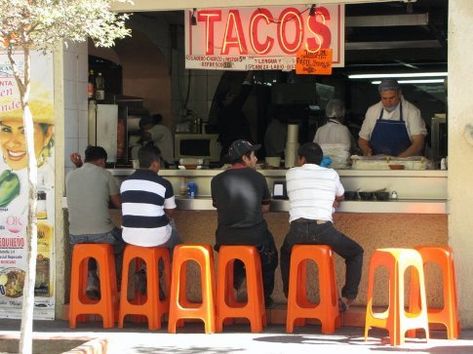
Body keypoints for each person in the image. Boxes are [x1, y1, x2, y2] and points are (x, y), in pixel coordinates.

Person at [280, 142, 364, 312]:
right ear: (321, 160)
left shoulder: (291, 173)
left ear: (301, 159)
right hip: (324, 230)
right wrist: (331, 202)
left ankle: (291, 297)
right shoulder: (331, 174)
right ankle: (347, 298)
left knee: (286, 252)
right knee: (356, 252)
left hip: (297, 230)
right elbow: (340, 196)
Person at [211, 139, 278, 307]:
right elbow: (265, 208)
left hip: (225, 238)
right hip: (254, 237)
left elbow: (218, 206)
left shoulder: (216, 180)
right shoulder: (258, 178)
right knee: (270, 257)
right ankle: (263, 298)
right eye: (254, 156)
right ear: (246, 157)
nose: (256, 160)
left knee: (237, 254)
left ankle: (233, 288)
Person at [120, 144, 181, 294]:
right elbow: (171, 210)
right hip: (157, 237)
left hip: (129, 237)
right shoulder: (164, 183)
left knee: (159, 234)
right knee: (177, 244)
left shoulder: (125, 183)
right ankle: (149, 273)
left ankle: (146, 274)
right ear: (155, 163)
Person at [66, 146, 124, 299]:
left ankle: (92, 279)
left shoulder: (70, 176)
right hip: (102, 234)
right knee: (124, 240)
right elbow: (118, 204)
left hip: (75, 236)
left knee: (90, 244)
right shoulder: (106, 175)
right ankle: (115, 281)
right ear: (101, 161)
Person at [358, 79, 427, 157]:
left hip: (405, 163)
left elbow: (418, 143)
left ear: (399, 94)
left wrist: (399, 159)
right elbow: (362, 139)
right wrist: (366, 149)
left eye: (392, 98)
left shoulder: (412, 112)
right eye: (384, 98)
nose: (388, 102)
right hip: (377, 163)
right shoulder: (372, 111)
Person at [0, 100, 54, 171]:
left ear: (47, 134)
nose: (12, 143)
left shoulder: (51, 176)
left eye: (25, 131)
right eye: (6, 130)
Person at [216, 72, 254, 162]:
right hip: (235, 153)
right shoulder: (230, 110)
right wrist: (251, 71)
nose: (233, 97)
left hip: (228, 152)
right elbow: (244, 93)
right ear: (224, 100)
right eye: (230, 96)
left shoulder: (222, 112)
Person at [314, 98, 356, 168]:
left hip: (323, 170)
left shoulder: (319, 130)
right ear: (343, 113)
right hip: (343, 171)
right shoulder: (344, 129)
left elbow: (314, 151)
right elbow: (352, 150)